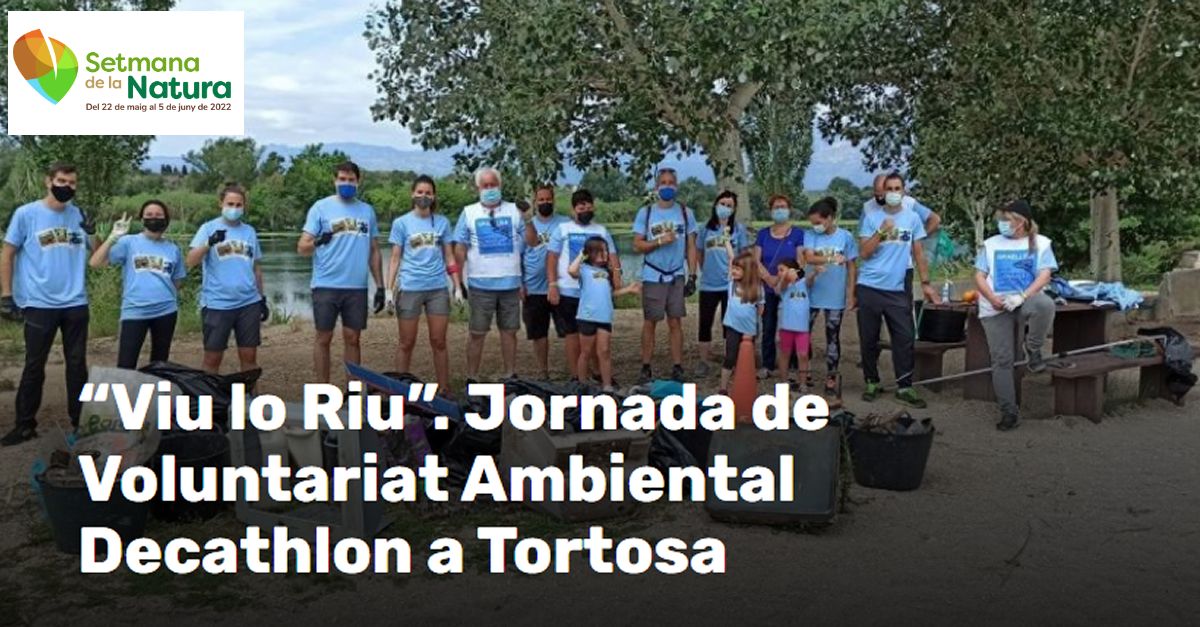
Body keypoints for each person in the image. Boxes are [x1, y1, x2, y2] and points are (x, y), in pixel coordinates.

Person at [0, 163, 96, 445]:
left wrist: (91, 231)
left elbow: (97, 251)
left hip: (76, 302)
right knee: (34, 364)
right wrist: (6, 296)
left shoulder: (78, 214)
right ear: (49, 182)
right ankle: (24, 424)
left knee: (77, 365)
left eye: (73, 183)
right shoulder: (27, 214)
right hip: (39, 302)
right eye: (62, 181)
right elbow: (8, 254)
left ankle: (81, 422)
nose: (67, 187)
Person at [298, 161, 385, 384]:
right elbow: (302, 248)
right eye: (342, 179)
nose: (346, 183)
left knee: (353, 338)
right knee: (324, 338)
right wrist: (318, 241)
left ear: (358, 181)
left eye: (351, 180)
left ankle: (352, 390)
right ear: (334, 181)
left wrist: (381, 286)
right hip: (326, 285)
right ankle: (322, 389)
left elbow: (374, 250)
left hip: (356, 286)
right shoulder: (320, 208)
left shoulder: (367, 211)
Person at [974, 199, 1058, 431]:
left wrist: (1021, 297)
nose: (1002, 223)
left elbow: (1044, 275)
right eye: (1000, 219)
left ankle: (1033, 348)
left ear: (1021, 222)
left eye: (1006, 219)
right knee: (1002, 359)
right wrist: (992, 298)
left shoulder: (1040, 243)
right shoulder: (990, 244)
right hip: (995, 305)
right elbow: (979, 276)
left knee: (1045, 305)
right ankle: (1009, 411)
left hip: (1024, 299)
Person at [857, 173, 938, 408]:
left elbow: (919, 253)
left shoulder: (912, 218)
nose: (893, 192)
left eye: (897, 188)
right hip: (870, 285)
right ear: (882, 192)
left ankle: (905, 386)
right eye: (889, 188)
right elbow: (864, 252)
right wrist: (881, 232)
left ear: (903, 191)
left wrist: (926, 284)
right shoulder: (872, 217)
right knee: (869, 338)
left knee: (904, 337)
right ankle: (871, 381)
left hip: (896, 288)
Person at [386, 175, 462, 392]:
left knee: (439, 341)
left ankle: (444, 389)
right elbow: (394, 258)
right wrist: (389, 290)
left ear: (434, 196)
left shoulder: (442, 223)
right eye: (420, 192)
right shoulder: (401, 223)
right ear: (413, 194)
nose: (424, 196)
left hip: (437, 288)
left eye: (428, 193)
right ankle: (400, 390)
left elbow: (449, 256)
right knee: (406, 342)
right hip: (410, 287)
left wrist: (457, 286)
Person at [89, 200, 186, 369]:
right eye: (149, 215)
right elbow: (96, 262)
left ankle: (156, 395)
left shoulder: (173, 249)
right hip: (134, 311)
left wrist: (165, 295)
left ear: (166, 219)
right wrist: (112, 237)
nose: (153, 218)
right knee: (126, 363)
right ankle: (125, 395)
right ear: (142, 219)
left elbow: (177, 280)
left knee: (160, 364)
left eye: (158, 215)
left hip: (166, 311)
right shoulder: (129, 242)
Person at [454, 167, 526, 382]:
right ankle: (472, 376)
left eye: (493, 185)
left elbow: (528, 244)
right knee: (477, 333)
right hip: (480, 284)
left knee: (509, 332)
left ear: (500, 185)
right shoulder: (468, 213)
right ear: (478, 188)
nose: (490, 189)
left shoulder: (515, 211)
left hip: (510, 284)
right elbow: (460, 249)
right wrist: (457, 283)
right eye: (485, 186)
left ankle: (510, 374)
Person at [187, 183, 266, 376]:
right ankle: (209, 402)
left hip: (248, 303)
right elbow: (190, 261)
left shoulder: (249, 232)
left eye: (239, 205)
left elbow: (256, 267)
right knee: (212, 359)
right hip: (217, 304)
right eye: (230, 203)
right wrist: (209, 243)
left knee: (249, 357)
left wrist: (262, 299)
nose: (234, 208)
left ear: (244, 206)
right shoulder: (208, 228)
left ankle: (252, 401)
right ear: (220, 203)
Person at [632, 168, 698, 383]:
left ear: (676, 186)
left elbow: (691, 246)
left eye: (671, 183)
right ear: (656, 187)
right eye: (664, 183)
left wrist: (693, 275)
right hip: (653, 273)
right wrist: (659, 241)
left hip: (676, 274)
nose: (667, 186)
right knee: (650, 321)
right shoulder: (647, 213)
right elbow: (637, 245)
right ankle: (645, 365)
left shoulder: (686, 213)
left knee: (675, 322)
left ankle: (677, 365)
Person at [546, 188, 620, 381]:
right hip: (569, 291)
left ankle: (599, 374)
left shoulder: (601, 231)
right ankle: (576, 377)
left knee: (597, 338)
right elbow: (552, 259)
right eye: (581, 206)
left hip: (594, 295)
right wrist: (553, 284)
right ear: (573, 209)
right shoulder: (562, 230)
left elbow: (613, 257)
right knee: (572, 336)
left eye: (588, 205)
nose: (585, 209)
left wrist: (617, 280)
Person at [568, 237, 640, 391]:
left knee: (604, 351)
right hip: (587, 317)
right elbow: (571, 270)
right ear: (592, 253)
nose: (606, 254)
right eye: (601, 251)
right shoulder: (584, 270)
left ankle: (607, 385)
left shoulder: (607, 272)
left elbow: (610, 293)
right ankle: (582, 384)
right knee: (586, 352)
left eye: (606, 250)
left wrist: (629, 289)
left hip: (604, 317)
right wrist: (582, 254)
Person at [804, 197, 858, 396]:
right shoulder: (810, 235)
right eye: (813, 223)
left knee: (832, 336)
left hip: (835, 295)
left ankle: (831, 376)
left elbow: (852, 266)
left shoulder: (845, 237)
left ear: (830, 218)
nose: (815, 226)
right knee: (804, 333)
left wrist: (851, 292)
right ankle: (804, 370)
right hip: (811, 293)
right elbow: (809, 257)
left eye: (819, 222)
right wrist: (830, 258)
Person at [862, 173, 941, 303]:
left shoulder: (910, 204)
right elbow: (864, 246)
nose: (880, 197)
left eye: (896, 189)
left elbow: (935, 219)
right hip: (877, 271)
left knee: (903, 313)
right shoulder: (868, 209)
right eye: (877, 195)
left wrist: (916, 238)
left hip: (903, 269)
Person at [696, 190, 751, 376]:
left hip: (730, 285)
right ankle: (703, 361)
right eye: (722, 204)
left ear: (734, 209)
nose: (725, 208)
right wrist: (705, 270)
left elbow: (744, 255)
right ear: (715, 204)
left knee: (730, 325)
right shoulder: (705, 229)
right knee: (705, 323)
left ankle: (731, 361)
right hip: (708, 285)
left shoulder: (739, 229)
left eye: (729, 206)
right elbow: (699, 253)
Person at [754, 194, 805, 379]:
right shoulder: (763, 234)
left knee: (790, 325)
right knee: (768, 326)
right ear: (770, 211)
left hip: (790, 289)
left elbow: (800, 260)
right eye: (776, 207)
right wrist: (769, 278)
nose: (780, 210)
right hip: (767, 288)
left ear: (789, 209)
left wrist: (783, 278)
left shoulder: (798, 234)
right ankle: (768, 364)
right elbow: (756, 260)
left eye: (783, 206)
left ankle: (791, 363)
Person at [521, 184, 570, 379]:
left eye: (548, 199)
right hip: (533, 288)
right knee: (539, 333)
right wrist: (520, 283)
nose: (545, 203)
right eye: (540, 200)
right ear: (535, 202)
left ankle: (580, 371)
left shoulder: (564, 223)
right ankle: (543, 372)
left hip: (561, 287)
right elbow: (518, 255)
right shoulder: (526, 226)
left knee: (570, 331)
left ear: (553, 200)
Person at [718, 250, 765, 395]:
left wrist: (753, 324)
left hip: (749, 329)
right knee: (730, 356)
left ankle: (745, 384)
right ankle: (723, 387)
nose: (734, 271)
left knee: (746, 356)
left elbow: (761, 309)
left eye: (738, 269)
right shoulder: (731, 284)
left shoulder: (757, 287)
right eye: (734, 268)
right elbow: (731, 257)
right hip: (732, 326)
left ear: (748, 270)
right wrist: (726, 240)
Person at [773, 258, 812, 391]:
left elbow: (810, 279)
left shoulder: (803, 283)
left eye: (782, 270)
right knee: (784, 353)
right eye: (778, 270)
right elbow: (780, 288)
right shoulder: (781, 285)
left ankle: (803, 383)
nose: (779, 273)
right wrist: (785, 277)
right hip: (786, 327)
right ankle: (784, 381)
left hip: (802, 328)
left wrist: (816, 272)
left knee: (803, 355)